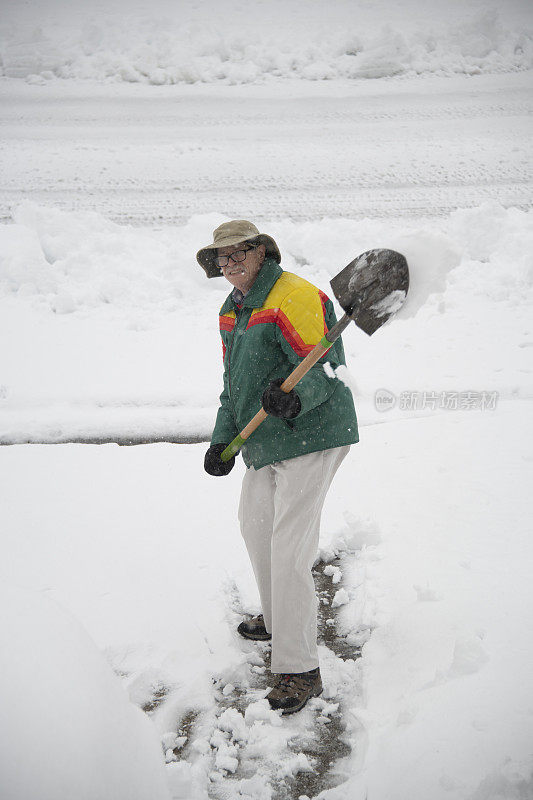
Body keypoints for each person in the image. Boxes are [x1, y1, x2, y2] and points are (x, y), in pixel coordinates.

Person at [197, 220, 358, 714]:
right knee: (255, 525)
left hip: (313, 433)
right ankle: (277, 617)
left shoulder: (295, 295)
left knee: (289, 547)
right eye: (221, 258)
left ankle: (299, 667)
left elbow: (324, 366)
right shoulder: (233, 309)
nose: (229, 264)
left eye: (239, 253)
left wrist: (296, 399)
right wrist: (223, 439)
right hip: (266, 439)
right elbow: (234, 387)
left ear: (262, 252)